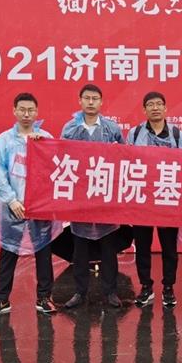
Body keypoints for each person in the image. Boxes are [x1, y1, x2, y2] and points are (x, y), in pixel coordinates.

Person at [0, 92, 57, 319]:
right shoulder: (4, 140)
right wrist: (12, 199)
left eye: (31, 110)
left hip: (39, 205)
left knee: (43, 250)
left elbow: (55, 167)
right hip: (13, 205)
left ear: (37, 112)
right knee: (9, 250)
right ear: (14, 111)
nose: (27, 114)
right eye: (22, 110)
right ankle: (2, 299)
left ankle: (44, 297)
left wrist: (43, 146)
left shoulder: (45, 137)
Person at [60, 84, 125, 309]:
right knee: (80, 248)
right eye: (86, 98)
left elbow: (125, 157)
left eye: (94, 98)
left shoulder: (111, 128)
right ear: (80, 101)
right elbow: (60, 156)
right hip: (80, 196)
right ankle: (80, 292)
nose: (90, 102)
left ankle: (110, 291)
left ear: (101, 102)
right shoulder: (70, 128)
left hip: (105, 195)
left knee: (108, 248)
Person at [127, 91, 182, 307]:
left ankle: (168, 287)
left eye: (159, 104)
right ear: (144, 110)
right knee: (142, 246)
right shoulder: (134, 133)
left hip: (167, 197)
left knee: (169, 247)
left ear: (165, 108)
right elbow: (128, 163)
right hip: (142, 199)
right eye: (150, 104)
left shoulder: (178, 135)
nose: (155, 108)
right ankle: (146, 286)